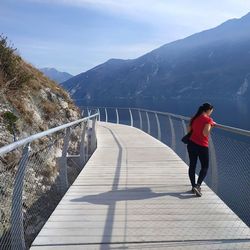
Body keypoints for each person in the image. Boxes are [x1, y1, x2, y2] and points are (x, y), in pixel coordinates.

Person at [187, 103, 216, 197]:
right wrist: (211, 125)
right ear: (208, 110)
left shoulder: (194, 118)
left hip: (191, 144)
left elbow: (189, 131)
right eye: (211, 111)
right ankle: (198, 185)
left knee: (192, 165)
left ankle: (193, 186)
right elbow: (205, 133)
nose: (211, 112)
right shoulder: (208, 120)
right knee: (205, 166)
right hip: (202, 146)